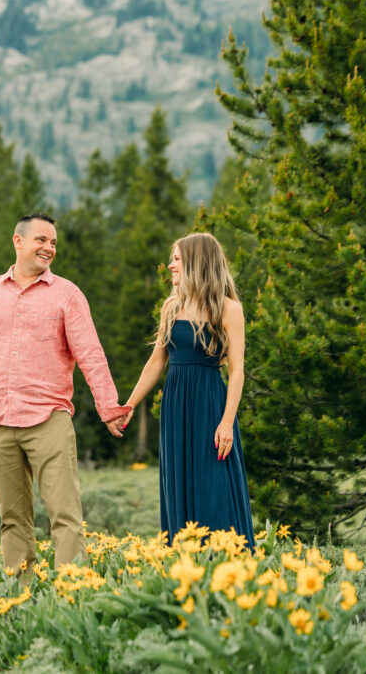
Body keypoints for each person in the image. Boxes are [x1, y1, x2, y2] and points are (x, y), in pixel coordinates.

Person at [0, 212, 132, 573]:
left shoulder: (67, 295)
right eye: (41, 240)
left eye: (53, 242)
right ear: (17, 241)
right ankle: (18, 604)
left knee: (64, 516)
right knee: (12, 520)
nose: (49, 248)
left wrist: (109, 407)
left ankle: (73, 599)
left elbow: (91, 355)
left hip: (48, 420)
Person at [120, 232, 255, 547]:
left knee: (214, 485)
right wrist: (127, 406)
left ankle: (225, 560)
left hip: (210, 406)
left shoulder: (228, 308)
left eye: (177, 259)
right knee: (178, 482)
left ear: (196, 261)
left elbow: (237, 371)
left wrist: (226, 423)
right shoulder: (171, 307)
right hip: (176, 408)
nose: (170, 266)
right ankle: (183, 562)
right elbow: (156, 363)